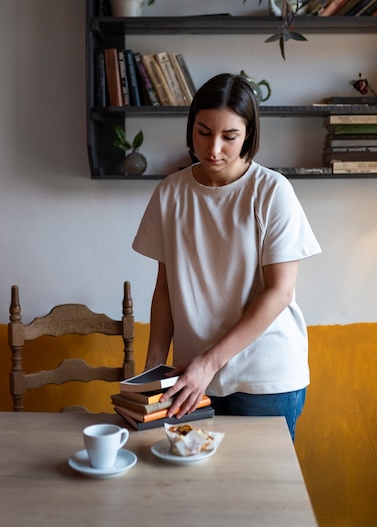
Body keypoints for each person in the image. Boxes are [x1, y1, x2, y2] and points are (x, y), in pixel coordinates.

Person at [132, 73, 321, 440]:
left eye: (229, 137)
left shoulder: (271, 192)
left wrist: (209, 363)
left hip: (266, 380)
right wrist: (152, 371)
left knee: (259, 497)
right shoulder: (170, 194)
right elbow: (165, 289)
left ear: (248, 134)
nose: (213, 148)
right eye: (203, 132)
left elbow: (279, 293)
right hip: (191, 379)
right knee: (193, 490)